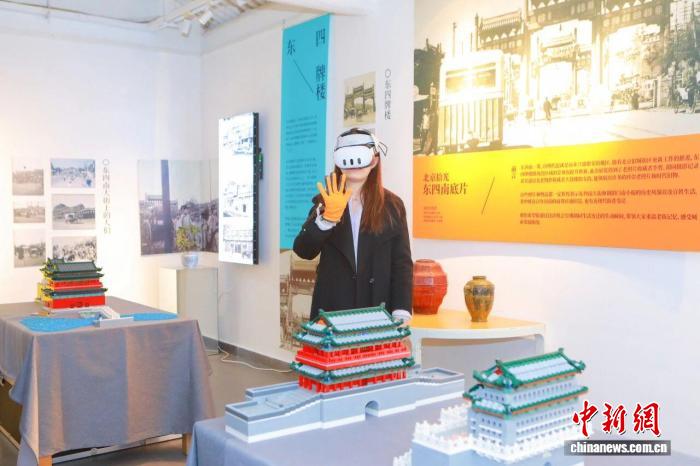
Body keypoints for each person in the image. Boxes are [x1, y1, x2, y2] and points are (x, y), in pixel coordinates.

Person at [293, 128, 413, 324]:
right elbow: (303, 250)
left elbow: (402, 263)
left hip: (377, 308)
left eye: (360, 156)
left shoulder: (392, 206)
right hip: (333, 308)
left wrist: (401, 311)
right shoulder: (325, 202)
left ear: (374, 160)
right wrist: (325, 221)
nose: (354, 164)